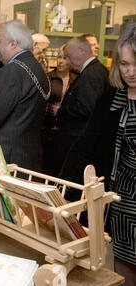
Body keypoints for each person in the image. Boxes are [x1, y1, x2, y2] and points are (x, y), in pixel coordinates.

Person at [0, 19, 50, 172]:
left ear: (13, 44)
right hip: (29, 157)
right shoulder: (38, 68)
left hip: (6, 160)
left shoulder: (11, 71)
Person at [104, 23, 136, 286]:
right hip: (121, 200)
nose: (130, 71)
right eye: (125, 63)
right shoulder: (115, 96)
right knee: (122, 269)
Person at [55, 36, 113, 181]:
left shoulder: (91, 73)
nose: (67, 61)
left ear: (81, 51)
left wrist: (62, 111)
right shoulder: (94, 70)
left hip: (80, 142)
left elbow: (87, 108)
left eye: (68, 56)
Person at [42, 44, 78, 176]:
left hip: (67, 132)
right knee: (47, 169)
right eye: (59, 57)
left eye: (64, 58)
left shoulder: (76, 79)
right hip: (48, 132)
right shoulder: (48, 77)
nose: (61, 61)